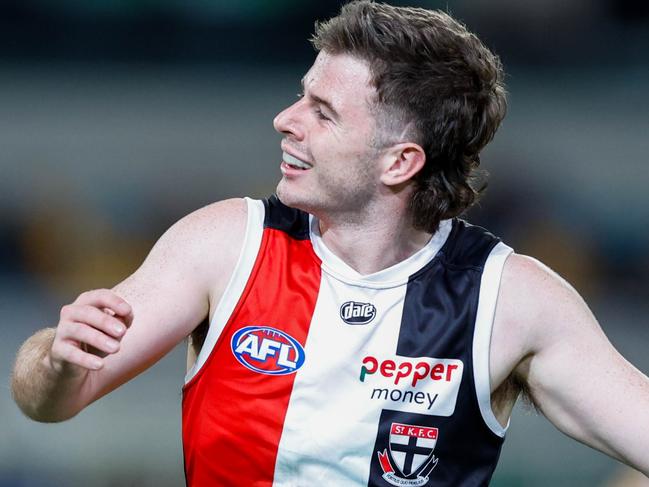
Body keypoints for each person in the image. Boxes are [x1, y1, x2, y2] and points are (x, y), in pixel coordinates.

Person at [10, 1, 649, 485]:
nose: (285, 120)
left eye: (323, 111)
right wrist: (58, 359)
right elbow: (47, 403)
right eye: (300, 96)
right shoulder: (224, 245)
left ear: (399, 163)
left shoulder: (513, 300)